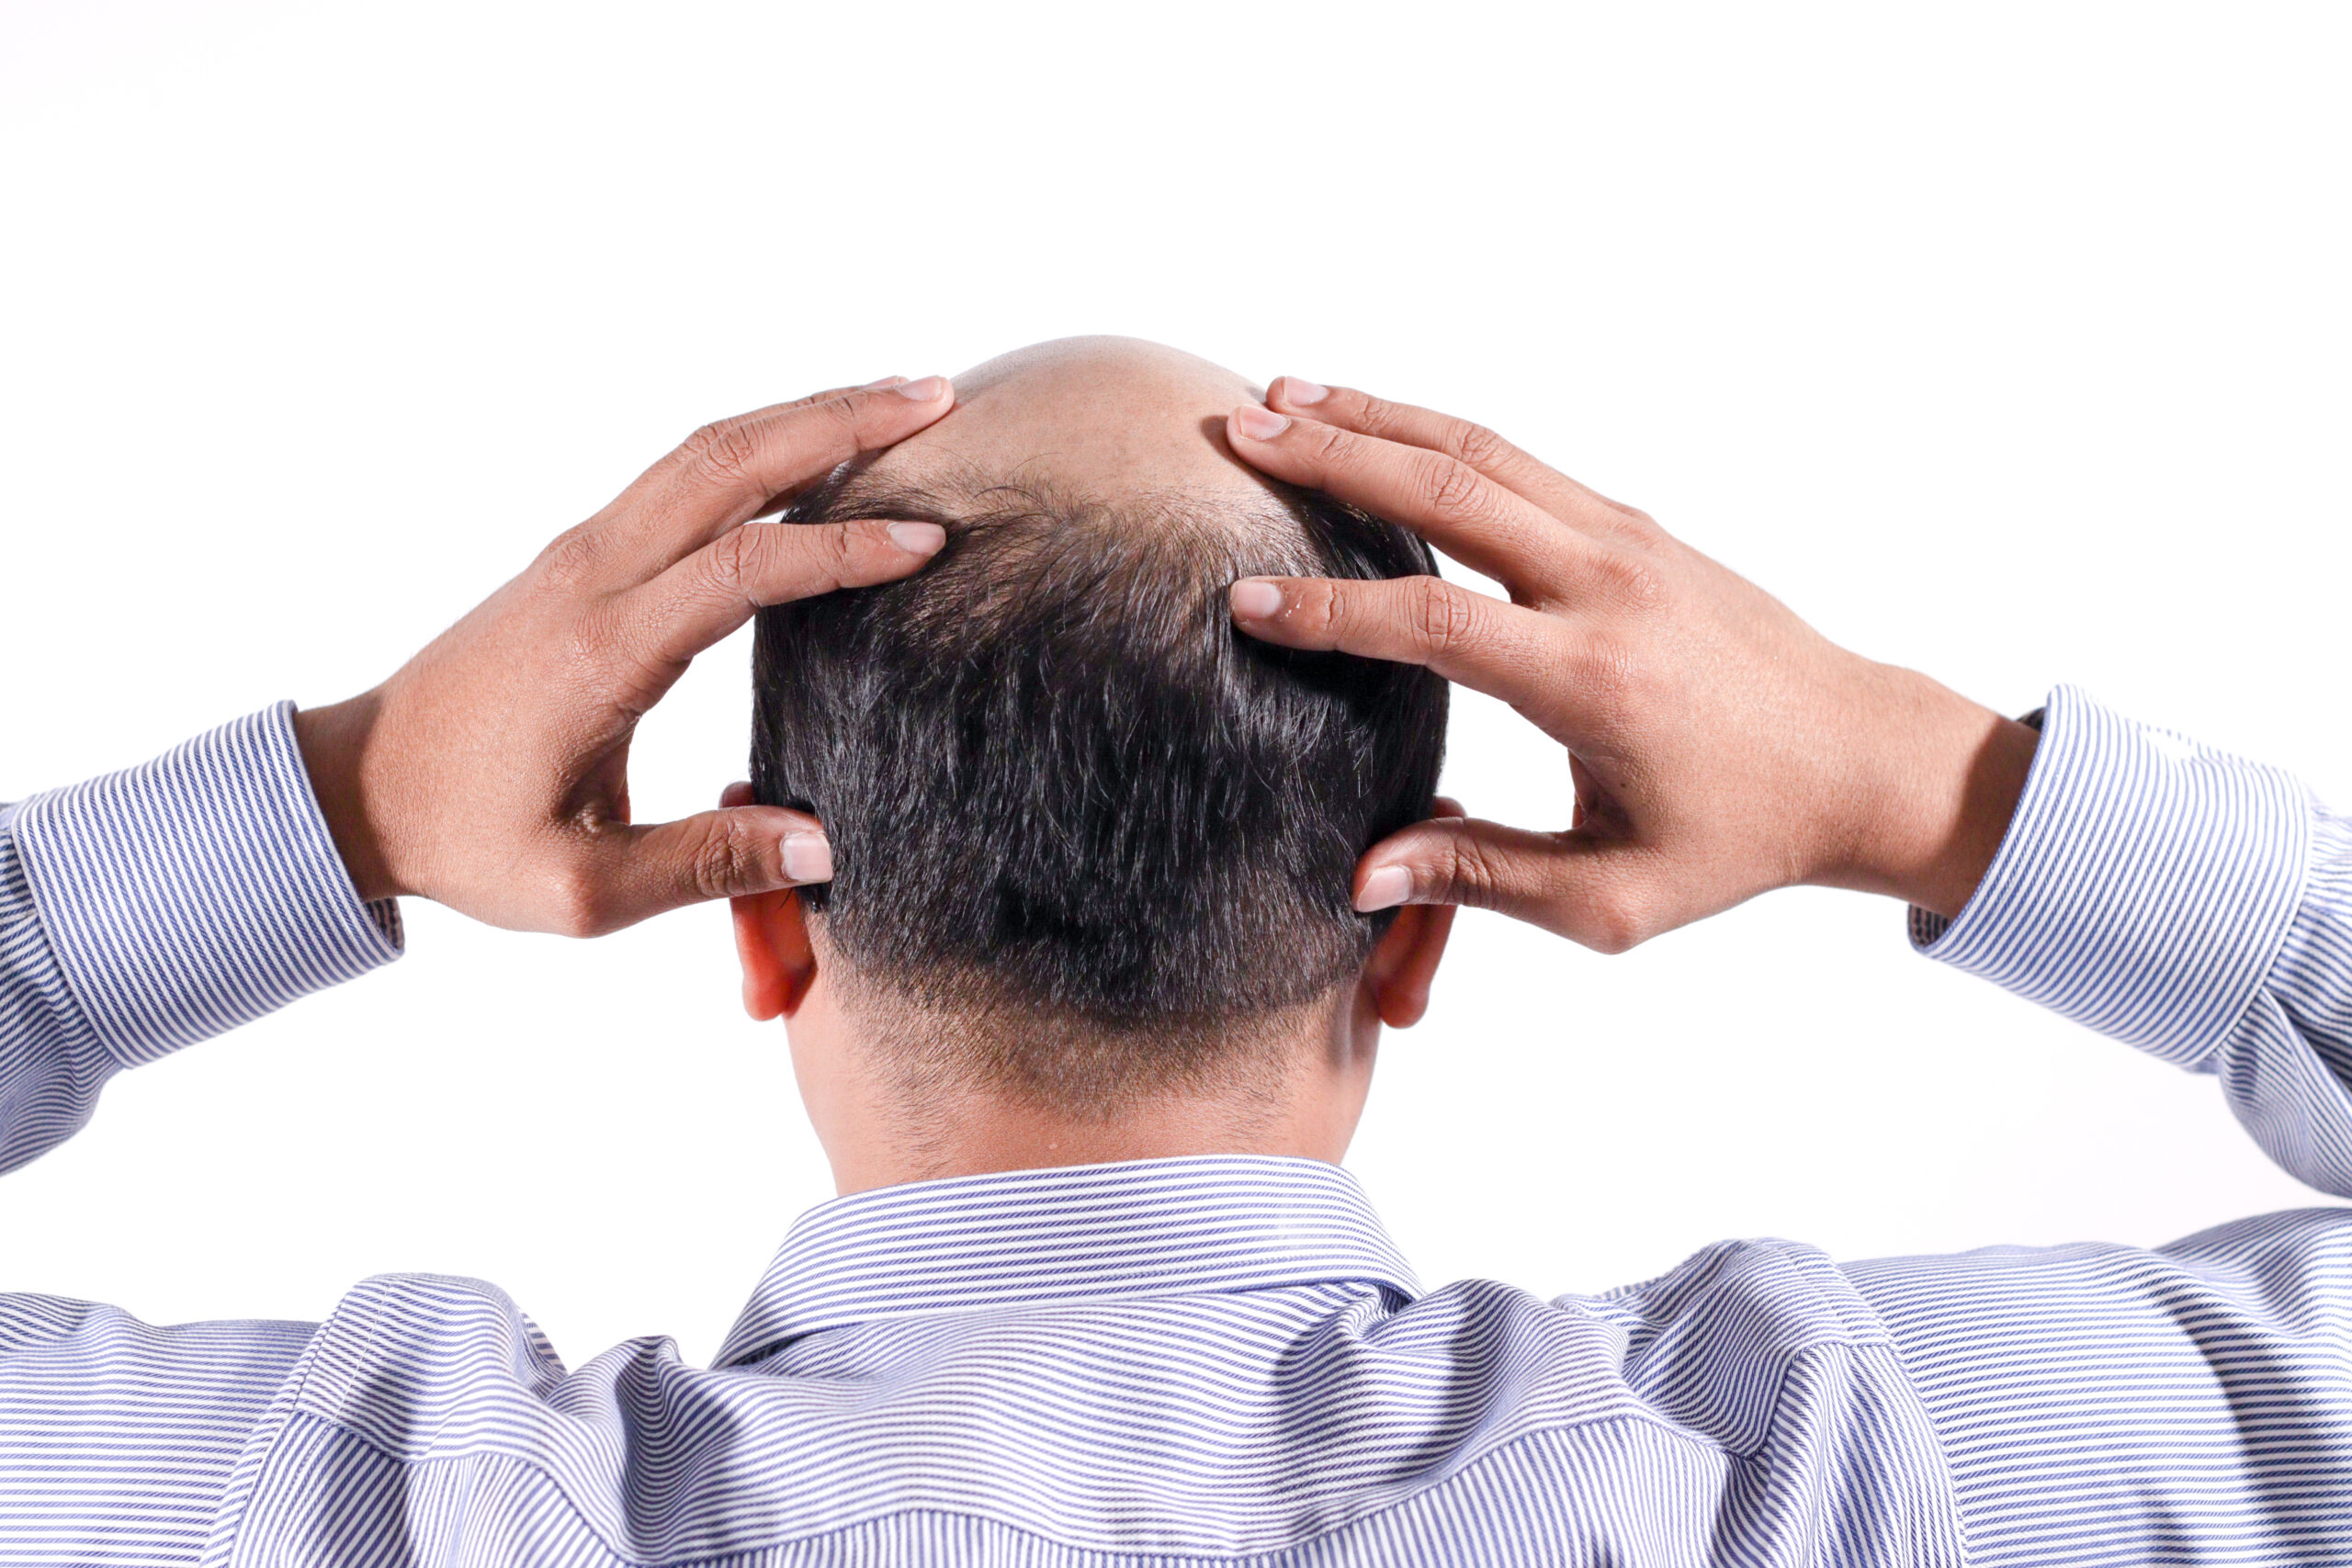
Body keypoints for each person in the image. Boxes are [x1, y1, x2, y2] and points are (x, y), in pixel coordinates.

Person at [0, 340, 2344, 1566]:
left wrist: (339, 794)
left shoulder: (334, 1503)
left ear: (756, 921)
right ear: (1411, 934)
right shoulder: (1846, 1470)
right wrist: (1917, 775)